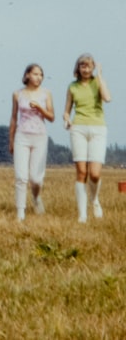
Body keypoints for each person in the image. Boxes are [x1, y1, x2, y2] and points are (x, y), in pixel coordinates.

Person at [63, 53, 112, 223]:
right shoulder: (72, 87)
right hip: (79, 128)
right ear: (78, 68)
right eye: (82, 66)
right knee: (82, 172)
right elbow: (67, 109)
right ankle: (82, 214)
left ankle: (95, 200)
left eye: (88, 66)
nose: (85, 69)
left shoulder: (97, 82)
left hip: (98, 128)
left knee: (95, 174)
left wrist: (100, 75)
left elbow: (107, 98)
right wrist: (67, 119)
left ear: (92, 68)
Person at [8, 63, 54, 221]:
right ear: (27, 75)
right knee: (21, 177)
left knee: (36, 178)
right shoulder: (17, 94)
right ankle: (20, 212)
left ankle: (36, 197)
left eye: (41, 75)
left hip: (39, 137)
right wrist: (11, 140)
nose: (39, 77)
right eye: (35, 74)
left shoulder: (46, 93)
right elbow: (14, 118)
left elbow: (51, 117)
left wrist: (40, 108)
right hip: (22, 136)